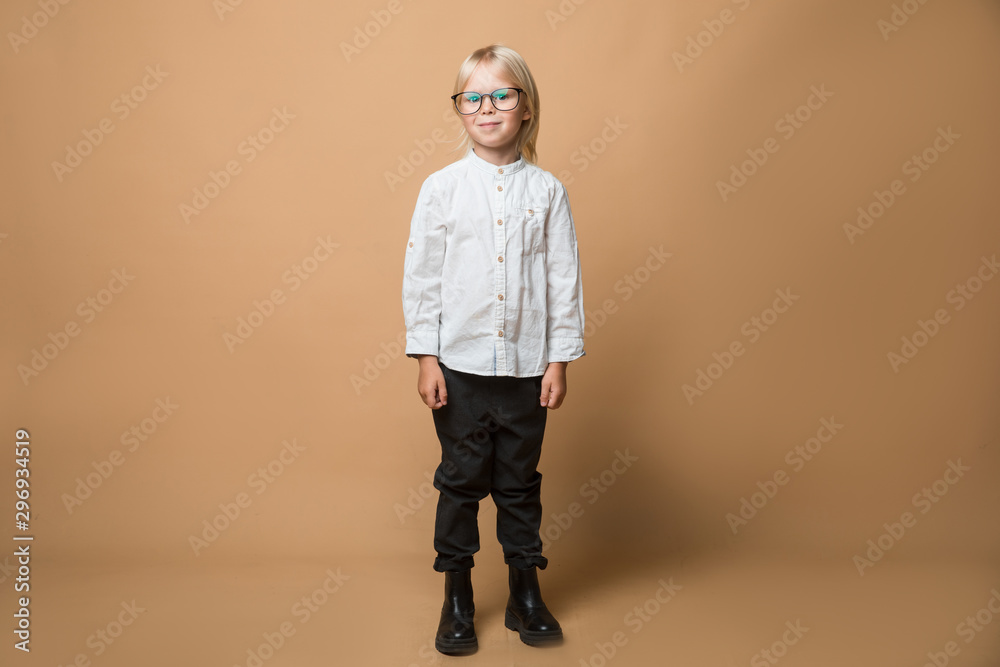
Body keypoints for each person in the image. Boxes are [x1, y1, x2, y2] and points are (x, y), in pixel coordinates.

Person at [401, 44, 585, 656]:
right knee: (459, 483)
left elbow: (563, 279)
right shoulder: (441, 189)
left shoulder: (549, 191)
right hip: (459, 369)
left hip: (528, 370)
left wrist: (558, 360)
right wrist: (426, 356)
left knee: (518, 483)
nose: (486, 108)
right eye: (472, 97)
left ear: (525, 107)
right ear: (459, 110)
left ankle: (524, 593)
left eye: (501, 95)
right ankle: (456, 596)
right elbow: (422, 278)